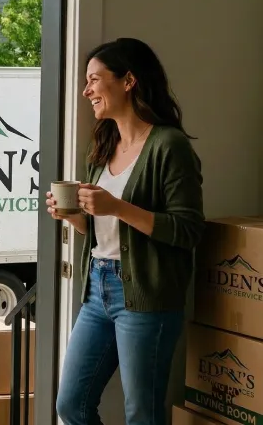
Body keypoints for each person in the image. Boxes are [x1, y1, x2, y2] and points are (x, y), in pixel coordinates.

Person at [47, 38, 204, 425]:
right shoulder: (103, 145)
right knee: (71, 404)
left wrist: (117, 206)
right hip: (97, 289)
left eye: (94, 80)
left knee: (142, 415)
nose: (86, 91)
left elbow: (187, 229)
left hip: (147, 296)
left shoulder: (169, 146)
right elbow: (108, 231)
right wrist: (74, 217)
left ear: (128, 80)